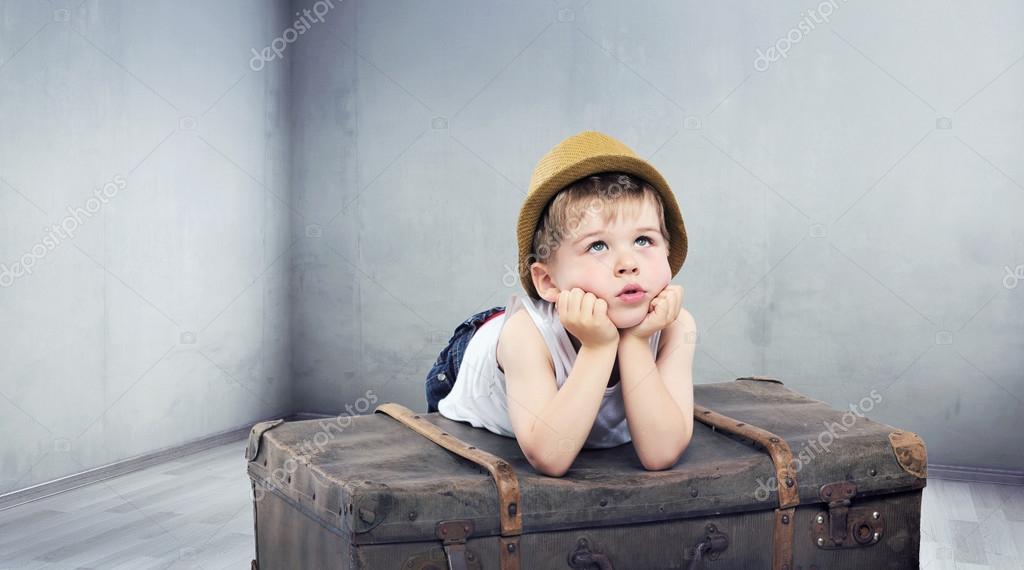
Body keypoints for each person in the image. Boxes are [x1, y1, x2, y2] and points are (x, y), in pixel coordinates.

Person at [425, 130, 696, 477]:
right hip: (472, 362)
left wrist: (635, 342)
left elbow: (660, 454)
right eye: (598, 246)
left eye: (644, 240)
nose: (628, 263)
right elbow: (550, 458)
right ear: (549, 281)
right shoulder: (524, 336)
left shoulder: (675, 326)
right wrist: (598, 348)